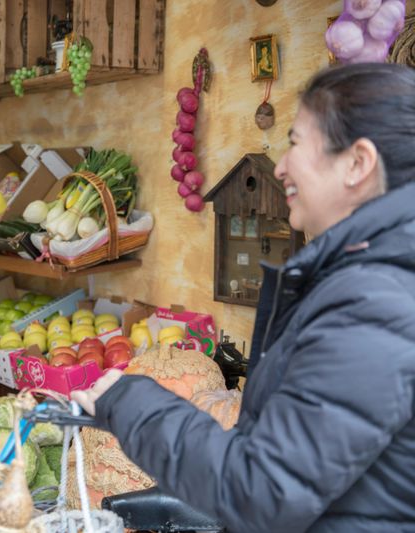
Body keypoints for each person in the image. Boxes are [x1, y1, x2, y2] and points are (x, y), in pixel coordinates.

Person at [72, 62, 415, 532]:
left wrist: (131, 402)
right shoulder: (372, 279)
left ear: (358, 163)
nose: (282, 166)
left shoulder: (375, 301)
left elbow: (266, 490)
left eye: (296, 142)